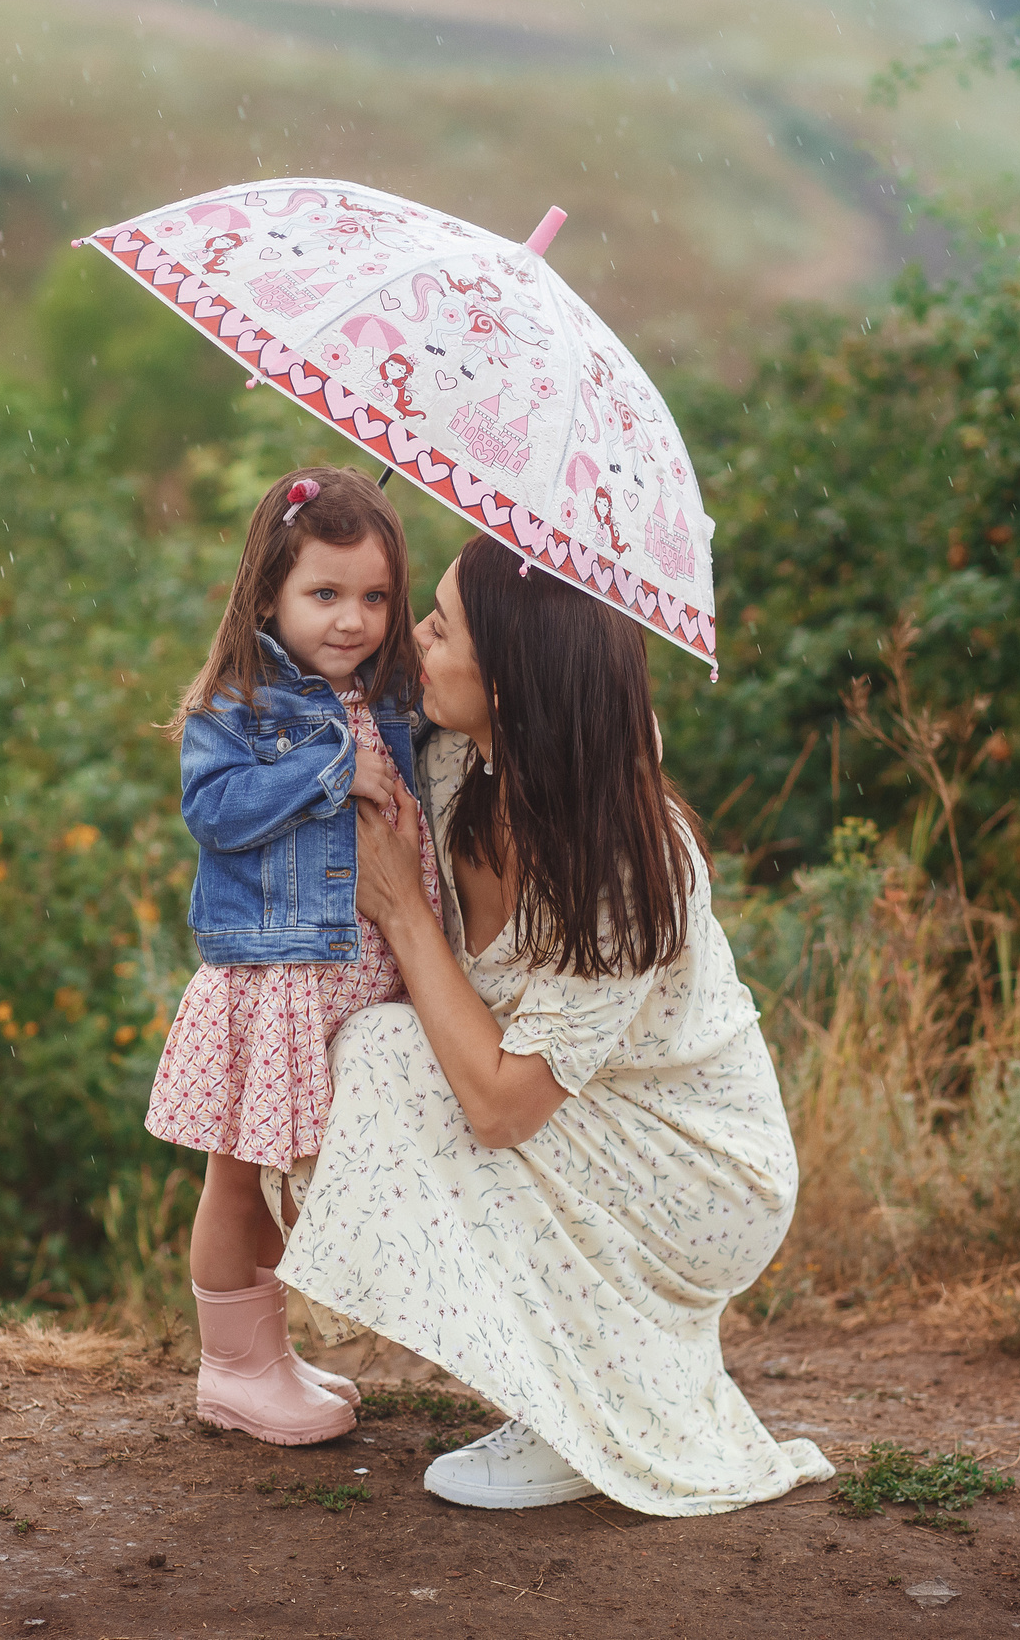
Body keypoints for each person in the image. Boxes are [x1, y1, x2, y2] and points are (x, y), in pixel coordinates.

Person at [276, 534, 835, 1514]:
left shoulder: (622, 861)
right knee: (352, 1050)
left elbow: (499, 1108)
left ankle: (572, 1424)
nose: (414, 637)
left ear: (516, 679)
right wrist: (290, 588)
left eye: (440, 627)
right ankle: (568, 1390)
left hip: (699, 1168)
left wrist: (406, 910)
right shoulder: (459, 765)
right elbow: (320, 689)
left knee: (394, 1061)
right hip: (581, 1121)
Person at [145, 466, 444, 1446]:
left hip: (340, 984)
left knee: (274, 1180)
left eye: (374, 597)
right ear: (267, 592)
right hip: (277, 979)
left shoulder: (374, 691)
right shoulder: (241, 704)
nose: (352, 619)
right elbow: (214, 813)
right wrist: (325, 770)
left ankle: (261, 1351)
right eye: (324, 594)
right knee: (237, 1177)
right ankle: (233, 1368)